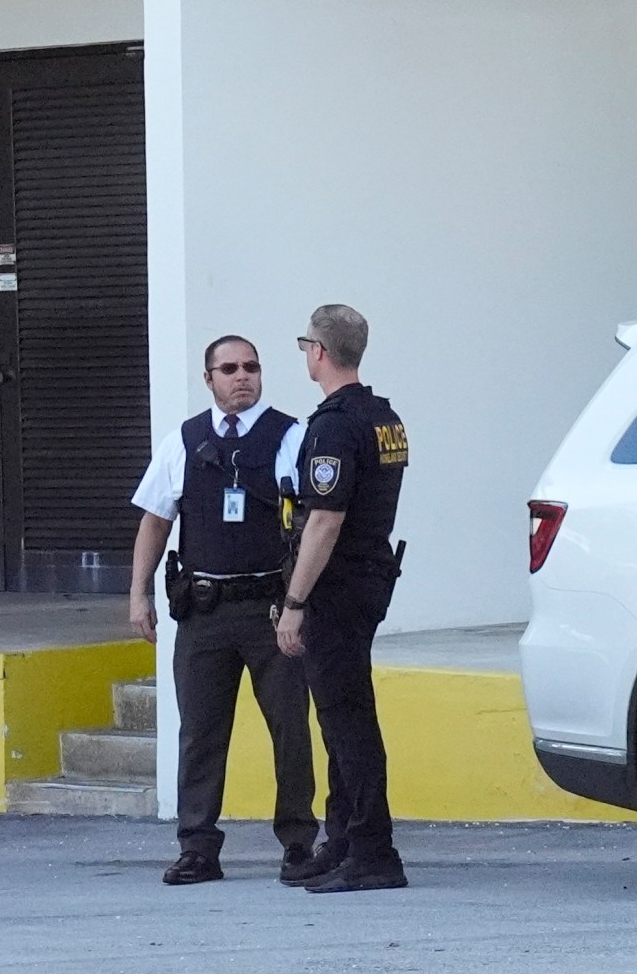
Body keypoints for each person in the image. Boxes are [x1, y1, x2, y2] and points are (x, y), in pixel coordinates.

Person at [124, 334, 319, 886]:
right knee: (201, 733)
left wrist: (300, 605)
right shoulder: (184, 440)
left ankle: (299, 843)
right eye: (229, 368)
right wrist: (139, 593)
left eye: (251, 367)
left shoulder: (291, 436)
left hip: (270, 610)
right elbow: (156, 519)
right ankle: (198, 848)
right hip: (204, 611)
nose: (242, 377)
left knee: (290, 729)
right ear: (208, 378)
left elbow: (316, 519)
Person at [275, 304, 411, 894]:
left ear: (319, 352)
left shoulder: (332, 425)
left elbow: (324, 520)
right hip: (369, 578)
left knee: (346, 719)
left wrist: (295, 600)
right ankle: (347, 840)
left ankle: (374, 850)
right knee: (342, 714)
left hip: (336, 587)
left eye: (305, 344)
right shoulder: (385, 418)